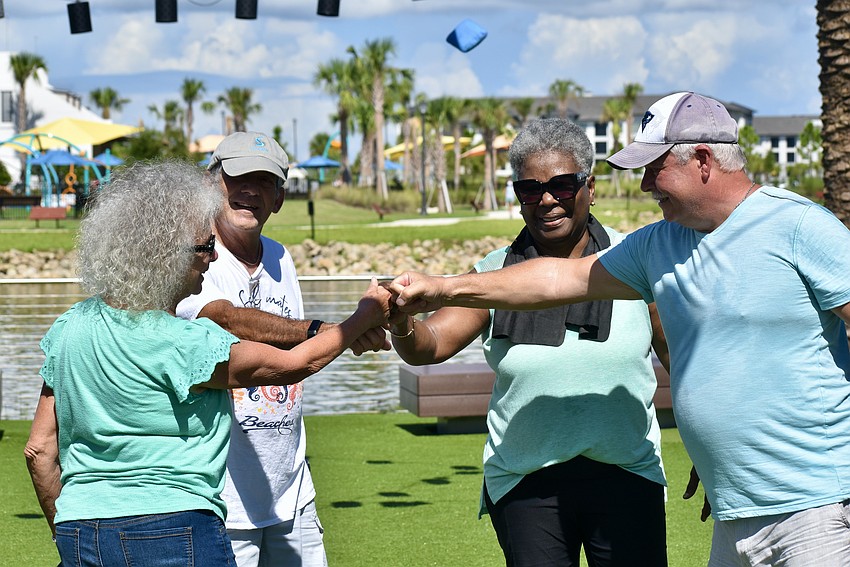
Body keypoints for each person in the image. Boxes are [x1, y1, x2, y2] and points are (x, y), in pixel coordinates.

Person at [390, 92, 850, 566]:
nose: (647, 184)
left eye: (654, 167)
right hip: (737, 510)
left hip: (816, 508)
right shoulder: (658, 244)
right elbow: (556, 278)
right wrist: (441, 288)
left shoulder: (799, 226)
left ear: (704, 160)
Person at [23, 160, 391, 566]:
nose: (213, 258)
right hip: (175, 529)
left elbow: (40, 450)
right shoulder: (186, 343)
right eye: (204, 247)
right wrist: (364, 317)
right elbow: (293, 365)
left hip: (81, 530)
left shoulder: (69, 328)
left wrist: (71, 529)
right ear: (162, 255)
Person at [389, 118, 669, 566]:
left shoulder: (632, 261)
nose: (546, 200)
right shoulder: (493, 272)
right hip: (525, 480)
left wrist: (713, 448)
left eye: (562, 185)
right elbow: (431, 344)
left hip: (627, 471)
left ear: (590, 188)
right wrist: (402, 322)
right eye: (530, 189)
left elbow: (682, 361)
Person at [175, 131, 386, 567]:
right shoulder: (193, 257)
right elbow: (226, 319)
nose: (250, 190)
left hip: (292, 491)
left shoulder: (280, 257)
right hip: (221, 498)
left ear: (279, 199)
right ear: (210, 183)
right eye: (237, 177)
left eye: (265, 181)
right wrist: (333, 329)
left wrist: (345, 333)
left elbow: (298, 346)